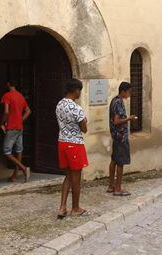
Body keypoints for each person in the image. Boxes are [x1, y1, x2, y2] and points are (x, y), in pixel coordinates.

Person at [56, 78, 88, 219]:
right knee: (76, 178)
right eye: (80, 90)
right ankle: (75, 208)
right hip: (74, 144)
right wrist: (85, 121)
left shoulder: (59, 104)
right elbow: (84, 129)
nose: (80, 92)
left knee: (68, 176)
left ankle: (62, 207)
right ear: (76, 90)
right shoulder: (76, 108)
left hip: (62, 142)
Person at [107, 82, 137, 196]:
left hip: (115, 136)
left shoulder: (114, 100)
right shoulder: (119, 102)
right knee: (120, 162)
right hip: (120, 136)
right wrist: (130, 118)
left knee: (114, 160)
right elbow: (116, 121)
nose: (129, 94)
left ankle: (111, 186)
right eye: (129, 92)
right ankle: (118, 188)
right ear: (123, 91)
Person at [0, 81, 31, 183]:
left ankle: (23, 168)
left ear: (8, 84)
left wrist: (2, 123)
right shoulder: (20, 96)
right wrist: (20, 120)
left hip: (11, 127)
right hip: (19, 127)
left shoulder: (7, 96)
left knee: (6, 151)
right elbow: (28, 111)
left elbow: (6, 111)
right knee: (19, 150)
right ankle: (15, 175)